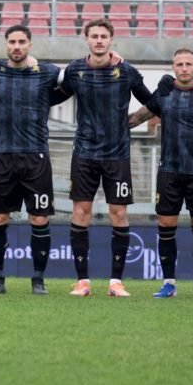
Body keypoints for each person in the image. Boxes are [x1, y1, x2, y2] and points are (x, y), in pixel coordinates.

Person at [59, 18, 153, 298]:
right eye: (94, 36)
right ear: (86, 39)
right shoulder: (75, 71)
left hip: (117, 154)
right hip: (84, 153)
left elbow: (152, 103)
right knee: (80, 213)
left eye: (103, 36)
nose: (99, 40)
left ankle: (116, 282)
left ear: (111, 40)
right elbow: (52, 95)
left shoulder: (126, 71)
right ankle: (82, 281)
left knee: (119, 213)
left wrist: (132, 121)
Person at [0, 25, 68, 296]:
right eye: (12, 41)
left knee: (38, 219)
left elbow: (75, 76)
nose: (17, 46)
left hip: (36, 157)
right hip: (3, 157)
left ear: (30, 44)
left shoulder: (47, 72)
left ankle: (38, 280)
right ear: (6, 44)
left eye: (22, 42)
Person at [128, 48, 193, 300]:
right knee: (166, 226)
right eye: (179, 64)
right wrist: (108, 124)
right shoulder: (165, 92)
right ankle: (168, 283)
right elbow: (137, 118)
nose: (183, 68)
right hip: (169, 171)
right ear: (173, 67)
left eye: (188, 63)